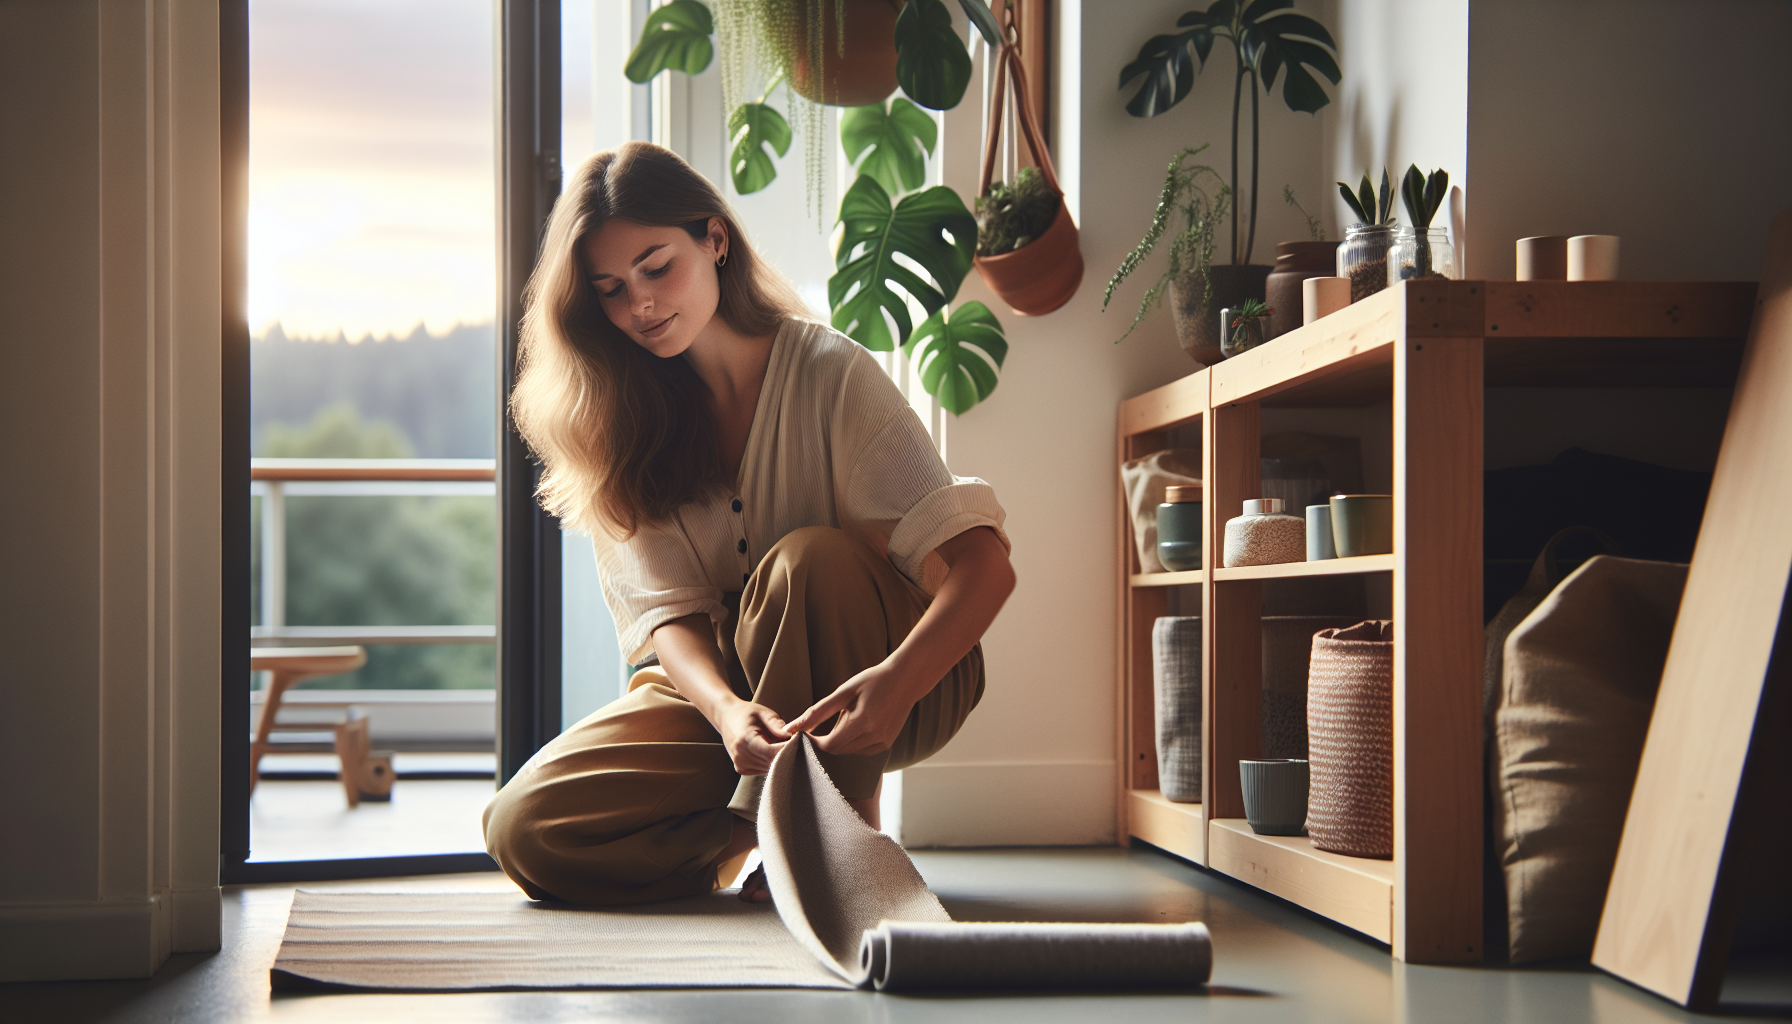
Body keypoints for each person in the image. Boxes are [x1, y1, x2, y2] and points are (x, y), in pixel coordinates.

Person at [484, 142, 1014, 906]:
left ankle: (834, 832)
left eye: (656, 266)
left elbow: (985, 567)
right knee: (523, 828)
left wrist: (897, 686)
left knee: (809, 561)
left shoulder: (830, 373)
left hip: (897, 680)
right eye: (610, 289)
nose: (639, 304)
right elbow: (670, 618)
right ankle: (752, 837)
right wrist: (728, 711)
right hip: (732, 707)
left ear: (715, 239)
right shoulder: (621, 420)